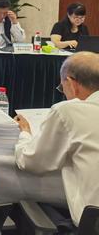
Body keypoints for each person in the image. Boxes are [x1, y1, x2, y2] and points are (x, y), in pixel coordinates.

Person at [14, 52, 99, 230]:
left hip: (92, 225)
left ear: (71, 83)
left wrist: (25, 134)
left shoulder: (68, 111)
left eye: (62, 87)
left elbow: (32, 162)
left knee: (24, 206)